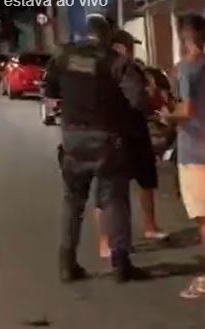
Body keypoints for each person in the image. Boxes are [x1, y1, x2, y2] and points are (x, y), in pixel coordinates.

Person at [43, 13, 150, 283]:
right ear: (107, 37)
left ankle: (66, 264)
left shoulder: (63, 57)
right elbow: (139, 100)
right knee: (115, 201)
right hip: (107, 140)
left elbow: (50, 89)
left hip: (72, 139)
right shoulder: (115, 63)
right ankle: (121, 265)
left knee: (72, 201)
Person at [158, 14, 205, 298]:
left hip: (195, 151)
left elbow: (187, 111)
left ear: (183, 36)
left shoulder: (188, 69)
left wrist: (167, 116)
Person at [94, 29, 168, 259]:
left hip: (128, 132)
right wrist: (150, 96)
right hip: (120, 134)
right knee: (109, 190)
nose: (132, 49)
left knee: (143, 181)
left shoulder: (103, 68)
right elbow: (140, 100)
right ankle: (108, 241)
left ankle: (147, 227)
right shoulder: (119, 67)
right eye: (129, 45)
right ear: (119, 46)